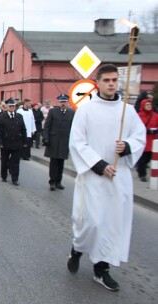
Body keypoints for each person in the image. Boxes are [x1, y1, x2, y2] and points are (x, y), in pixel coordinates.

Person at [67, 64, 146, 292]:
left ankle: (102, 269)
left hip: (118, 178)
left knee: (112, 224)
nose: (111, 84)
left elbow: (139, 137)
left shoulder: (127, 112)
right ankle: (77, 248)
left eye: (114, 80)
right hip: (93, 177)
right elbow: (78, 142)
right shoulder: (86, 110)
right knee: (91, 222)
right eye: (107, 80)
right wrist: (100, 165)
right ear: (98, 83)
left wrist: (128, 146)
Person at [42, 94, 75, 191]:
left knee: (61, 163)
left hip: (65, 141)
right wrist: (46, 138)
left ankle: (58, 181)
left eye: (64, 102)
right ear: (59, 102)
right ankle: (52, 181)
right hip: (54, 140)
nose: (63, 103)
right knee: (53, 162)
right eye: (61, 102)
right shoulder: (53, 111)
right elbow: (47, 126)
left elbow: (74, 129)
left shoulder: (72, 112)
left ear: (67, 102)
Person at [0, 98, 27, 186]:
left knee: (15, 161)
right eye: (10, 106)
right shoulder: (1, 117)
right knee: (4, 160)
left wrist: (25, 141)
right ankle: (4, 176)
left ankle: (15, 179)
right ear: (7, 107)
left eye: (13, 106)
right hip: (5, 143)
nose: (12, 107)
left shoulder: (19, 116)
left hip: (17, 143)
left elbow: (23, 129)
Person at [136, 99, 158, 182]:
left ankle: (141, 168)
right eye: (147, 105)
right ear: (143, 106)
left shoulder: (155, 115)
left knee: (148, 158)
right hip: (141, 141)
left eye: (150, 105)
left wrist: (156, 130)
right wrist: (146, 130)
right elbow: (136, 127)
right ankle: (142, 174)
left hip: (152, 141)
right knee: (142, 159)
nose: (149, 106)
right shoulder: (138, 115)